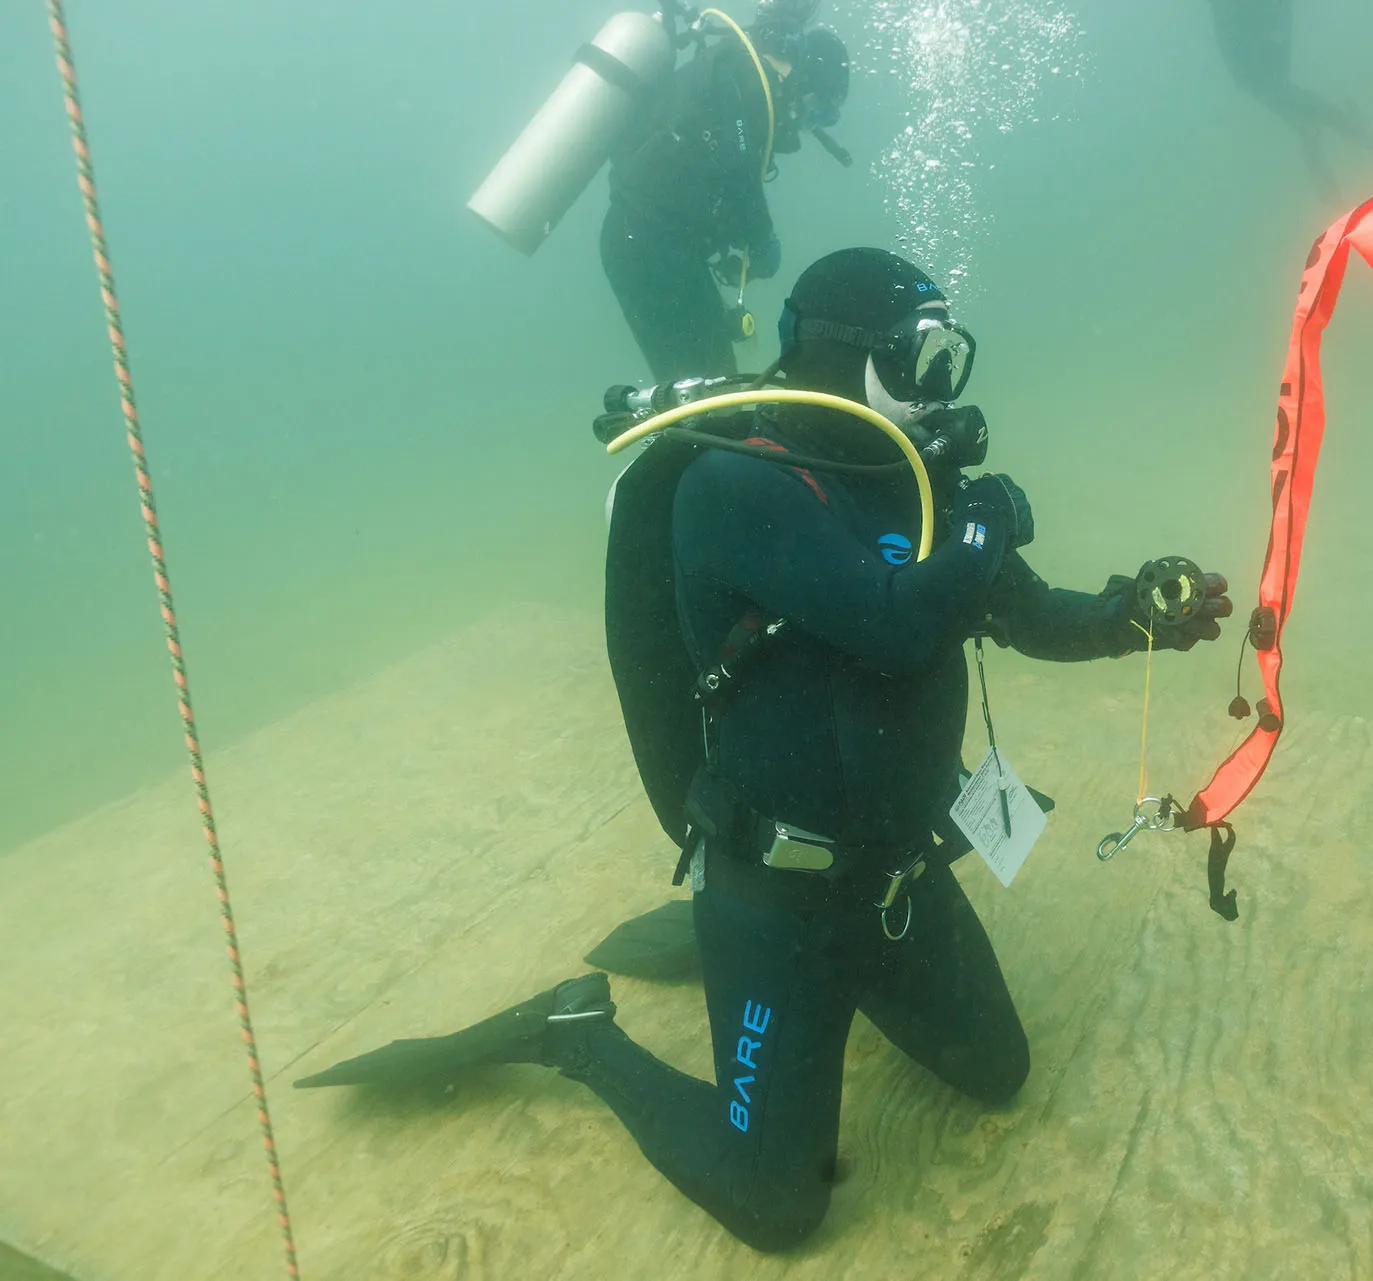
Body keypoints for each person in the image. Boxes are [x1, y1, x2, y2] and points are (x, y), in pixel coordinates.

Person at [296, 247, 1232, 1252]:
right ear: (843, 356)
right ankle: (576, 1035)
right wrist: (987, 521)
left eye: (949, 357)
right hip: (775, 901)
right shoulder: (735, 486)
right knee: (777, 1204)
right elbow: (898, 626)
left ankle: (818, 991)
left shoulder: (915, 484)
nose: (941, 387)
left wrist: (1130, 615)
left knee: (998, 1072)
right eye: (919, 358)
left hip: (895, 877)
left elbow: (1025, 612)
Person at [602, 0, 851, 385]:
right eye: (819, 112)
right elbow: (737, 168)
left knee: (706, 389)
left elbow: (718, 178)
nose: (806, 124)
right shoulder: (747, 84)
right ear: (807, 81)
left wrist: (747, 248)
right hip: (646, 245)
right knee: (702, 393)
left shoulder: (735, 74)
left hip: (656, 245)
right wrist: (762, 236)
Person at [1205, 0, 1373, 199]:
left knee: (1261, 81)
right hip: (1253, 19)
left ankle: (1328, 124)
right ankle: (1330, 124)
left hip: (1248, 19)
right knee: (1263, 81)